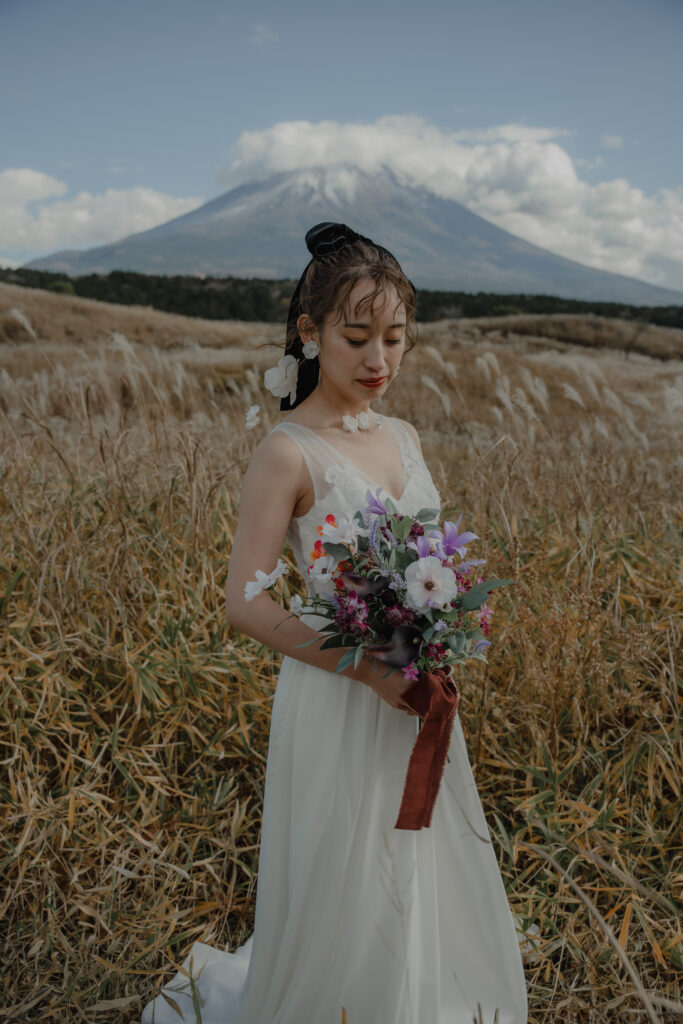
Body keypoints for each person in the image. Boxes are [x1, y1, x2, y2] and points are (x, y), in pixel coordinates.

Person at [140, 222, 528, 1023]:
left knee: (412, 857)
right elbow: (245, 602)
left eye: (395, 338)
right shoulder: (287, 452)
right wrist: (369, 668)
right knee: (341, 863)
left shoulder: (405, 435)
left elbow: (423, 558)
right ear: (308, 332)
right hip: (336, 691)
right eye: (356, 337)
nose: (378, 360)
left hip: (413, 691)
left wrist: (434, 631)